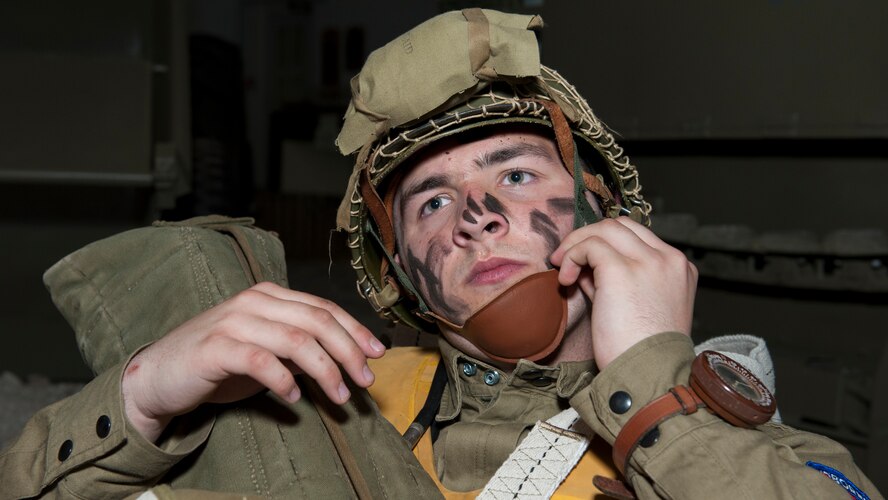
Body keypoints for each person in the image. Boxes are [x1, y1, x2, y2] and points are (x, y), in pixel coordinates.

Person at [0, 8, 880, 500]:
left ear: (604, 211)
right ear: (398, 273)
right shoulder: (307, 396)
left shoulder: (735, 451)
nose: (477, 215)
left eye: (517, 172)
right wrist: (146, 396)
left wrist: (656, 380)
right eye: (432, 200)